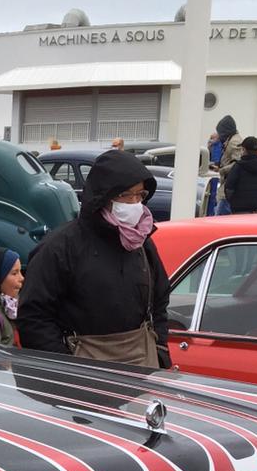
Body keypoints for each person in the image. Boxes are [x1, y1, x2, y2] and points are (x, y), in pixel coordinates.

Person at [17, 150, 170, 369]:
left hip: (141, 362)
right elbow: (33, 316)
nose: (135, 203)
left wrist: (160, 349)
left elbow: (161, 299)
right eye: (126, 195)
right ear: (104, 196)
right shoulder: (61, 247)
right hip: (83, 371)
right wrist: (65, 365)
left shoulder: (142, 243)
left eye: (140, 195)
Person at [221, 137, 257, 213]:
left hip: (237, 207)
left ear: (244, 150)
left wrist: (231, 200)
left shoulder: (238, 166)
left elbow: (229, 187)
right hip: (255, 206)